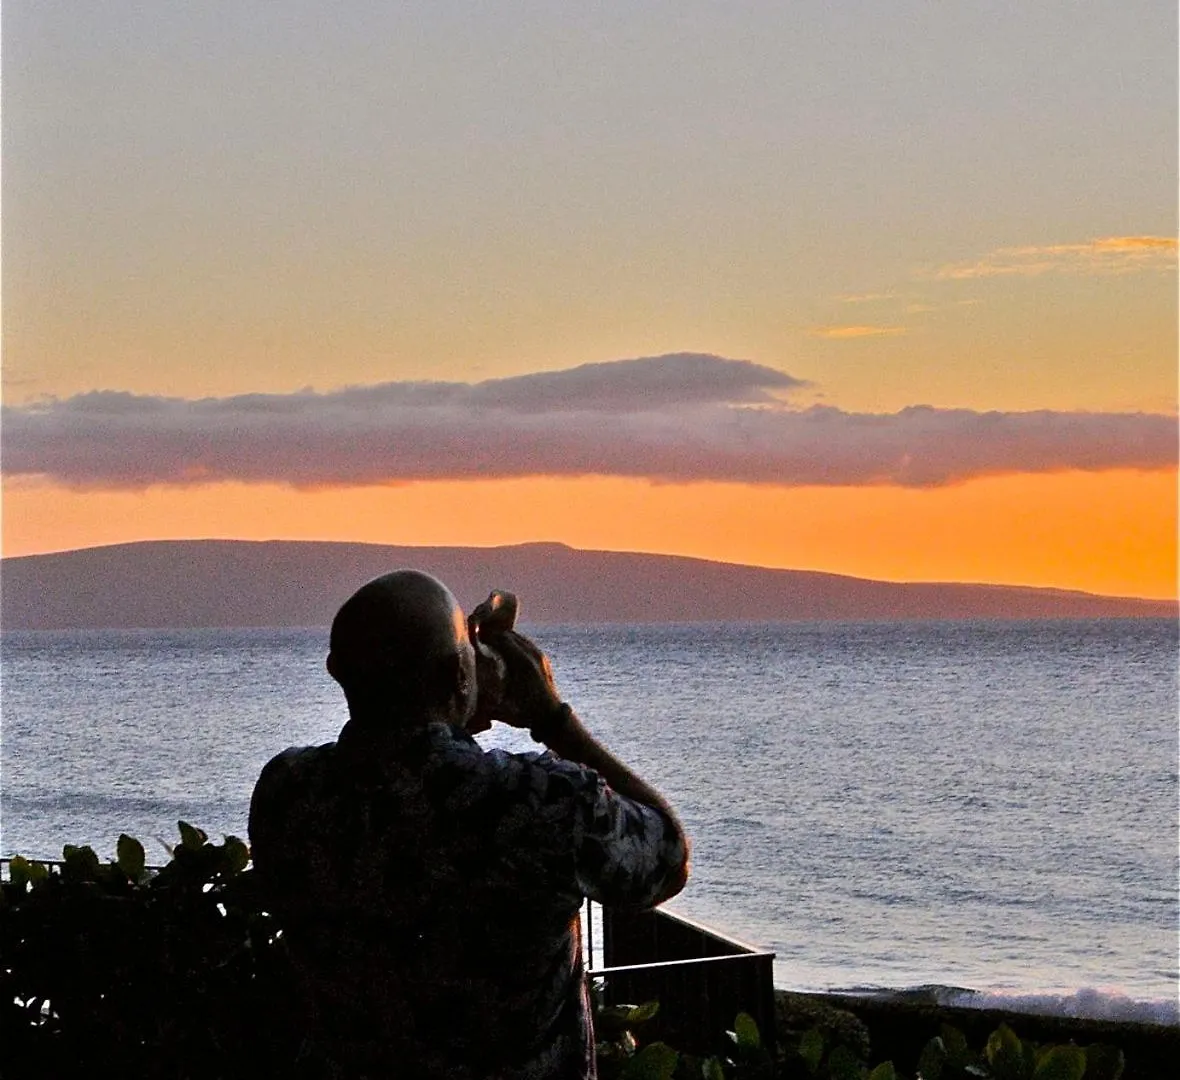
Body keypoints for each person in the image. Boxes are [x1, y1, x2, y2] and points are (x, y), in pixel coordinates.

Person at [248, 570, 689, 1079]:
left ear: (336, 670)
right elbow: (667, 857)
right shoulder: (540, 802)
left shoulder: (288, 792)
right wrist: (551, 718)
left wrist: (455, 705)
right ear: (459, 676)